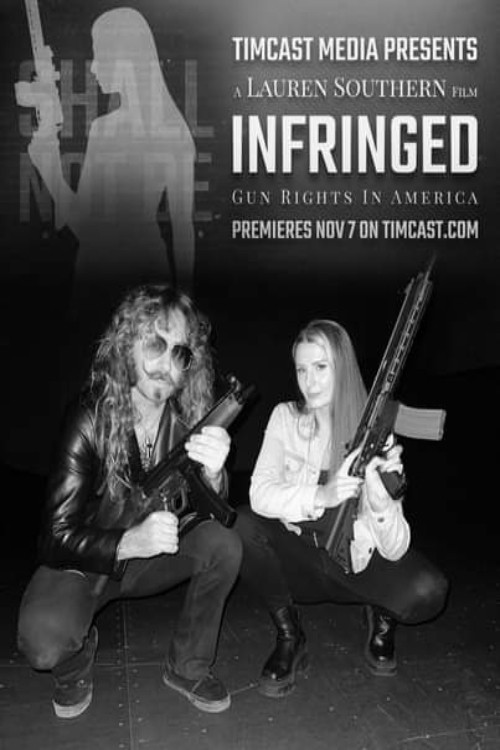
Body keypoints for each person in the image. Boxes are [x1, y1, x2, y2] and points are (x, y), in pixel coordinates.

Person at [17, 285, 242, 718]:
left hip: (150, 560)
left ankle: (188, 666)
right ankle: (75, 665)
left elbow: (207, 510)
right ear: (126, 346)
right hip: (86, 560)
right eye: (155, 344)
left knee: (225, 544)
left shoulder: (187, 419)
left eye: (179, 353)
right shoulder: (88, 417)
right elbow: (54, 537)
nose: (165, 364)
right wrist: (125, 543)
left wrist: (215, 474)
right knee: (43, 641)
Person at [234, 319, 449, 698]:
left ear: (343, 367)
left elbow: (395, 548)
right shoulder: (285, 417)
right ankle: (290, 634)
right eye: (302, 369)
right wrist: (323, 494)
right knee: (240, 525)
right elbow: (260, 494)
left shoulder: (376, 432)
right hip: (301, 558)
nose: (309, 381)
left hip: (355, 564)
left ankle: (381, 611)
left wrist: (381, 500)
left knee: (428, 590)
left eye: (321, 367)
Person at [24, 8, 196, 388]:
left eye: (100, 54)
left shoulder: (115, 131)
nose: (94, 67)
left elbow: (86, 226)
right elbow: (180, 231)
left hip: (117, 287)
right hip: (122, 285)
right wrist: (185, 308)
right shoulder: (170, 130)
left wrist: (48, 165)